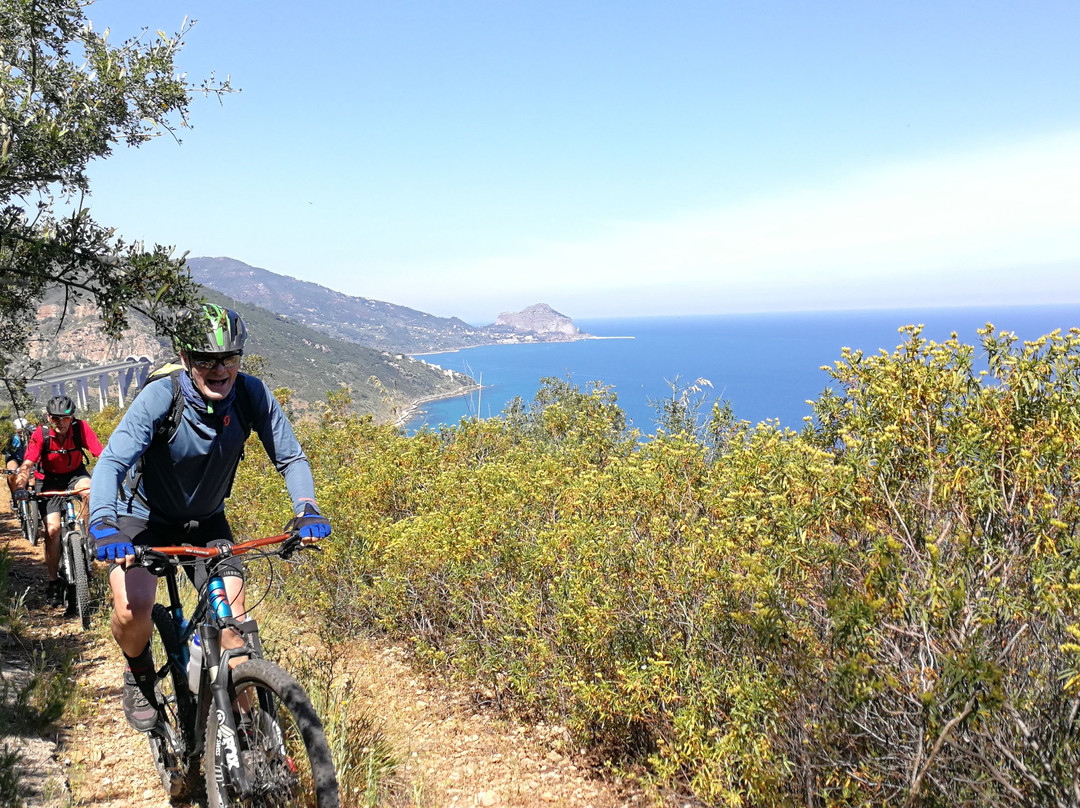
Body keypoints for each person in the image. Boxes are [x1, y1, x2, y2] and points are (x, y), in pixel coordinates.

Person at [87, 304, 331, 732]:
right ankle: (138, 674)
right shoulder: (162, 398)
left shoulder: (252, 395)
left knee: (232, 624)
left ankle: (250, 738)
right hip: (143, 519)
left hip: (206, 521)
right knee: (132, 609)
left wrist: (306, 508)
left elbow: (291, 458)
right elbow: (111, 462)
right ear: (185, 358)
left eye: (229, 357)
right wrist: (103, 522)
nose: (219, 369)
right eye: (205, 359)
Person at [13, 397, 104, 609]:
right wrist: (20, 487)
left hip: (75, 474)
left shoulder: (80, 428)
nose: (60, 423)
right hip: (48, 480)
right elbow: (27, 465)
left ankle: (88, 538)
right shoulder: (41, 434)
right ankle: (53, 581)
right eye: (55, 418)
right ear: (48, 417)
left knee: (89, 492)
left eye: (65, 418)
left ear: (72, 418)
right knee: (52, 530)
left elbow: (101, 454)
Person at [3, 417, 29, 499]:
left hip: (28, 459)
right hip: (14, 458)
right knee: (12, 470)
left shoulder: (31, 436)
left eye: (22, 432)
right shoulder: (11, 437)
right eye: (19, 432)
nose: (21, 434)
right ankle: (14, 495)